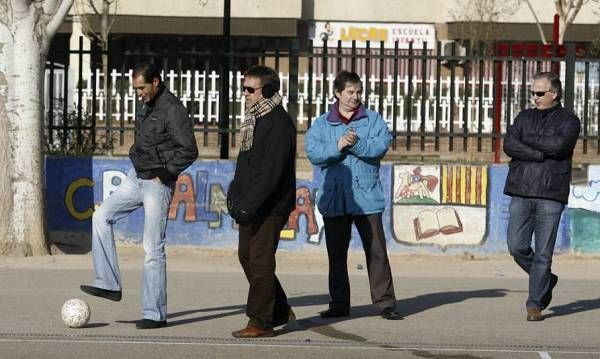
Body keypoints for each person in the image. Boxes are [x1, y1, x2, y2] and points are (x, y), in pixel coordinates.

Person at [80, 62, 198, 329]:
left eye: (142, 87)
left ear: (156, 81)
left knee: (152, 249)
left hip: (157, 183)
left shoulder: (173, 109)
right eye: (135, 88)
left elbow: (189, 150)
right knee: (101, 216)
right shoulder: (147, 106)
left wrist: (165, 173)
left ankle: (155, 314)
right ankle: (108, 283)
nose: (139, 93)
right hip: (136, 176)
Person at [305, 70, 400, 320]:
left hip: (367, 197)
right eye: (350, 92)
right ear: (337, 93)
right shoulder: (323, 123)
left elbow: (379, 147)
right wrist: (338, 146)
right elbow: (314, 153)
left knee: (376, 251)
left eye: (358, 92)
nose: (355, 97)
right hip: (335, 198)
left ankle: (385, 303)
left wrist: (355, 143)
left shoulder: (373, 120)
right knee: (336, 254)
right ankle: (338, 304)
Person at [226, 65, 297, 338]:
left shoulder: (278, 123)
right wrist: (235, 195)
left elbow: (271, 172)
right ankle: (279, 309)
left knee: (260, 261)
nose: (244, 94)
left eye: (250, 89)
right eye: (243, 88)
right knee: (247, 257)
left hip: (270, 206)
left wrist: (249, 205)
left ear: (267, 91)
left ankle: (261, 321)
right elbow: (246, 166)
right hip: (252, 204)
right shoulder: (254, 120)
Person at [504, 71, 580, 321]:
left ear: (554, 93)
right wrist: (539, 153)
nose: (534, 97)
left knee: (543, 253)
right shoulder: (524, 116)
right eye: (532, 92)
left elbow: (560, 147)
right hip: (521, 189)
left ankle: (534, 304)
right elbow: (509, 144)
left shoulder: (570, 120)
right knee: (516, 246)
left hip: (550, 192)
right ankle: (546, 279)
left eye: (539, 93)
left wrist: (527, 142)